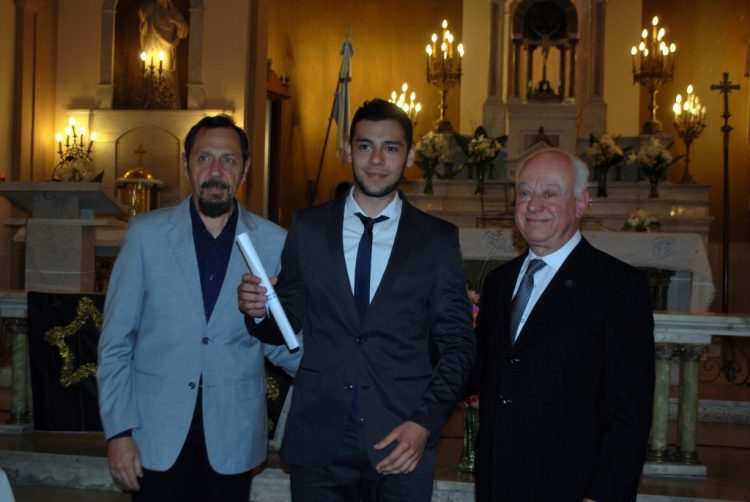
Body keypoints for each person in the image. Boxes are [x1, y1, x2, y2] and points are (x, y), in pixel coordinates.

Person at [239, 98, 476, 501]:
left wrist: (425, 424)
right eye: (365, 146)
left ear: (410, 156)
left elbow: (458, 345)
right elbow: (288, 321)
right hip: (321, 438)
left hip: (402, 438)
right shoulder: (309, 228)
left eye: (391, 148)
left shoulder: (436, 240)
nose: (376, 160)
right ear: (348, 150)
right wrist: (259, 310)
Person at [97, 115, 301, 501]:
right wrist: (119, 432)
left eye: (229, 160)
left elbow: (286, 347)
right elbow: (116, 343)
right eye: (204, 158)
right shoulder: (146, 235)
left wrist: (269, 322)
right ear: (186, 164)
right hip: (155, 432)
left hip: (233, 434)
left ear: (245, 169)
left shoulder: (274, 243)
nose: (215, 171)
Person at [473, 148, 655, 501]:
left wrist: (602, 495)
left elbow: (630, 412)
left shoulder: (618, 286)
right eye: (525, 192)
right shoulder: (499, 282)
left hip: (571, 485)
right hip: (497, 481)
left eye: (550, 193)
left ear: (581, 203)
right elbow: (480, 369)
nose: (534, 205)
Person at [138, 0, 189, 107]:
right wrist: (143, 22)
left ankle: (169, 103)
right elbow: (143, 23)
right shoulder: (150, 8)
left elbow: (184, 31)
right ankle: (150, 102)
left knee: (166, 76)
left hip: (165, 50)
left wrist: (174, 21)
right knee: (151, 74)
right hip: (151, 45)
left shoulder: (173, 12)